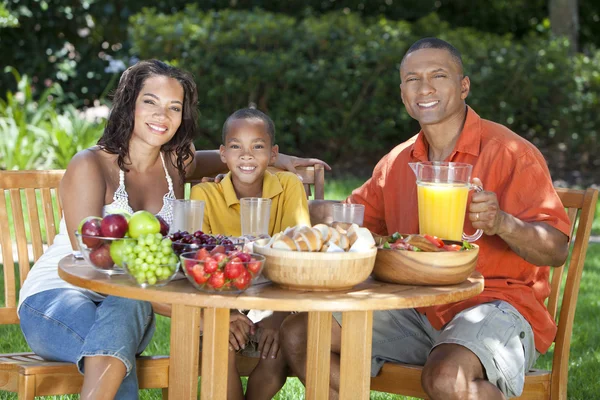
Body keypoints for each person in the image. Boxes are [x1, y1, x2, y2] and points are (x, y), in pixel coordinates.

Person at [17, 59, 329, 400]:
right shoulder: (90, 165)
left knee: (123, 320)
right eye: (150, 102)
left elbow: (223, 157)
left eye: (174, 107)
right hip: (57, 300)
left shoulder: (175, 162)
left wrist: (274, 158)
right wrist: (204, 319)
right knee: (113, 352)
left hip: (133, 306)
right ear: (129, 104)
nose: (161, 116)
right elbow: (93, 262)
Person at [280, 38, 571, 400]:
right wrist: (282, 196)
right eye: (413, 79)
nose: (425, 87)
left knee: (448, 377)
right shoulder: (398, 161)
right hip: (417, 308)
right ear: (403, 92)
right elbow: (351, 220)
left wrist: (502, 223)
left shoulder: (510, 153)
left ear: (464, 86)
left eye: (438, 75)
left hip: (496, 305)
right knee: (300, 334)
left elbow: (558, 248)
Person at [190, 107, 310, 400]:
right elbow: (197, 265)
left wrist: (276, 316)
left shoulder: (288, 186)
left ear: (272, 154)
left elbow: (298, 256)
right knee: (221, 342)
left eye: (257, 146)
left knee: (279, 346)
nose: (246, 155)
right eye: (236, 147)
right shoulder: (205, 196)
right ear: (222, 154)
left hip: (276, 299)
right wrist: (227, 312)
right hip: (220, 302)